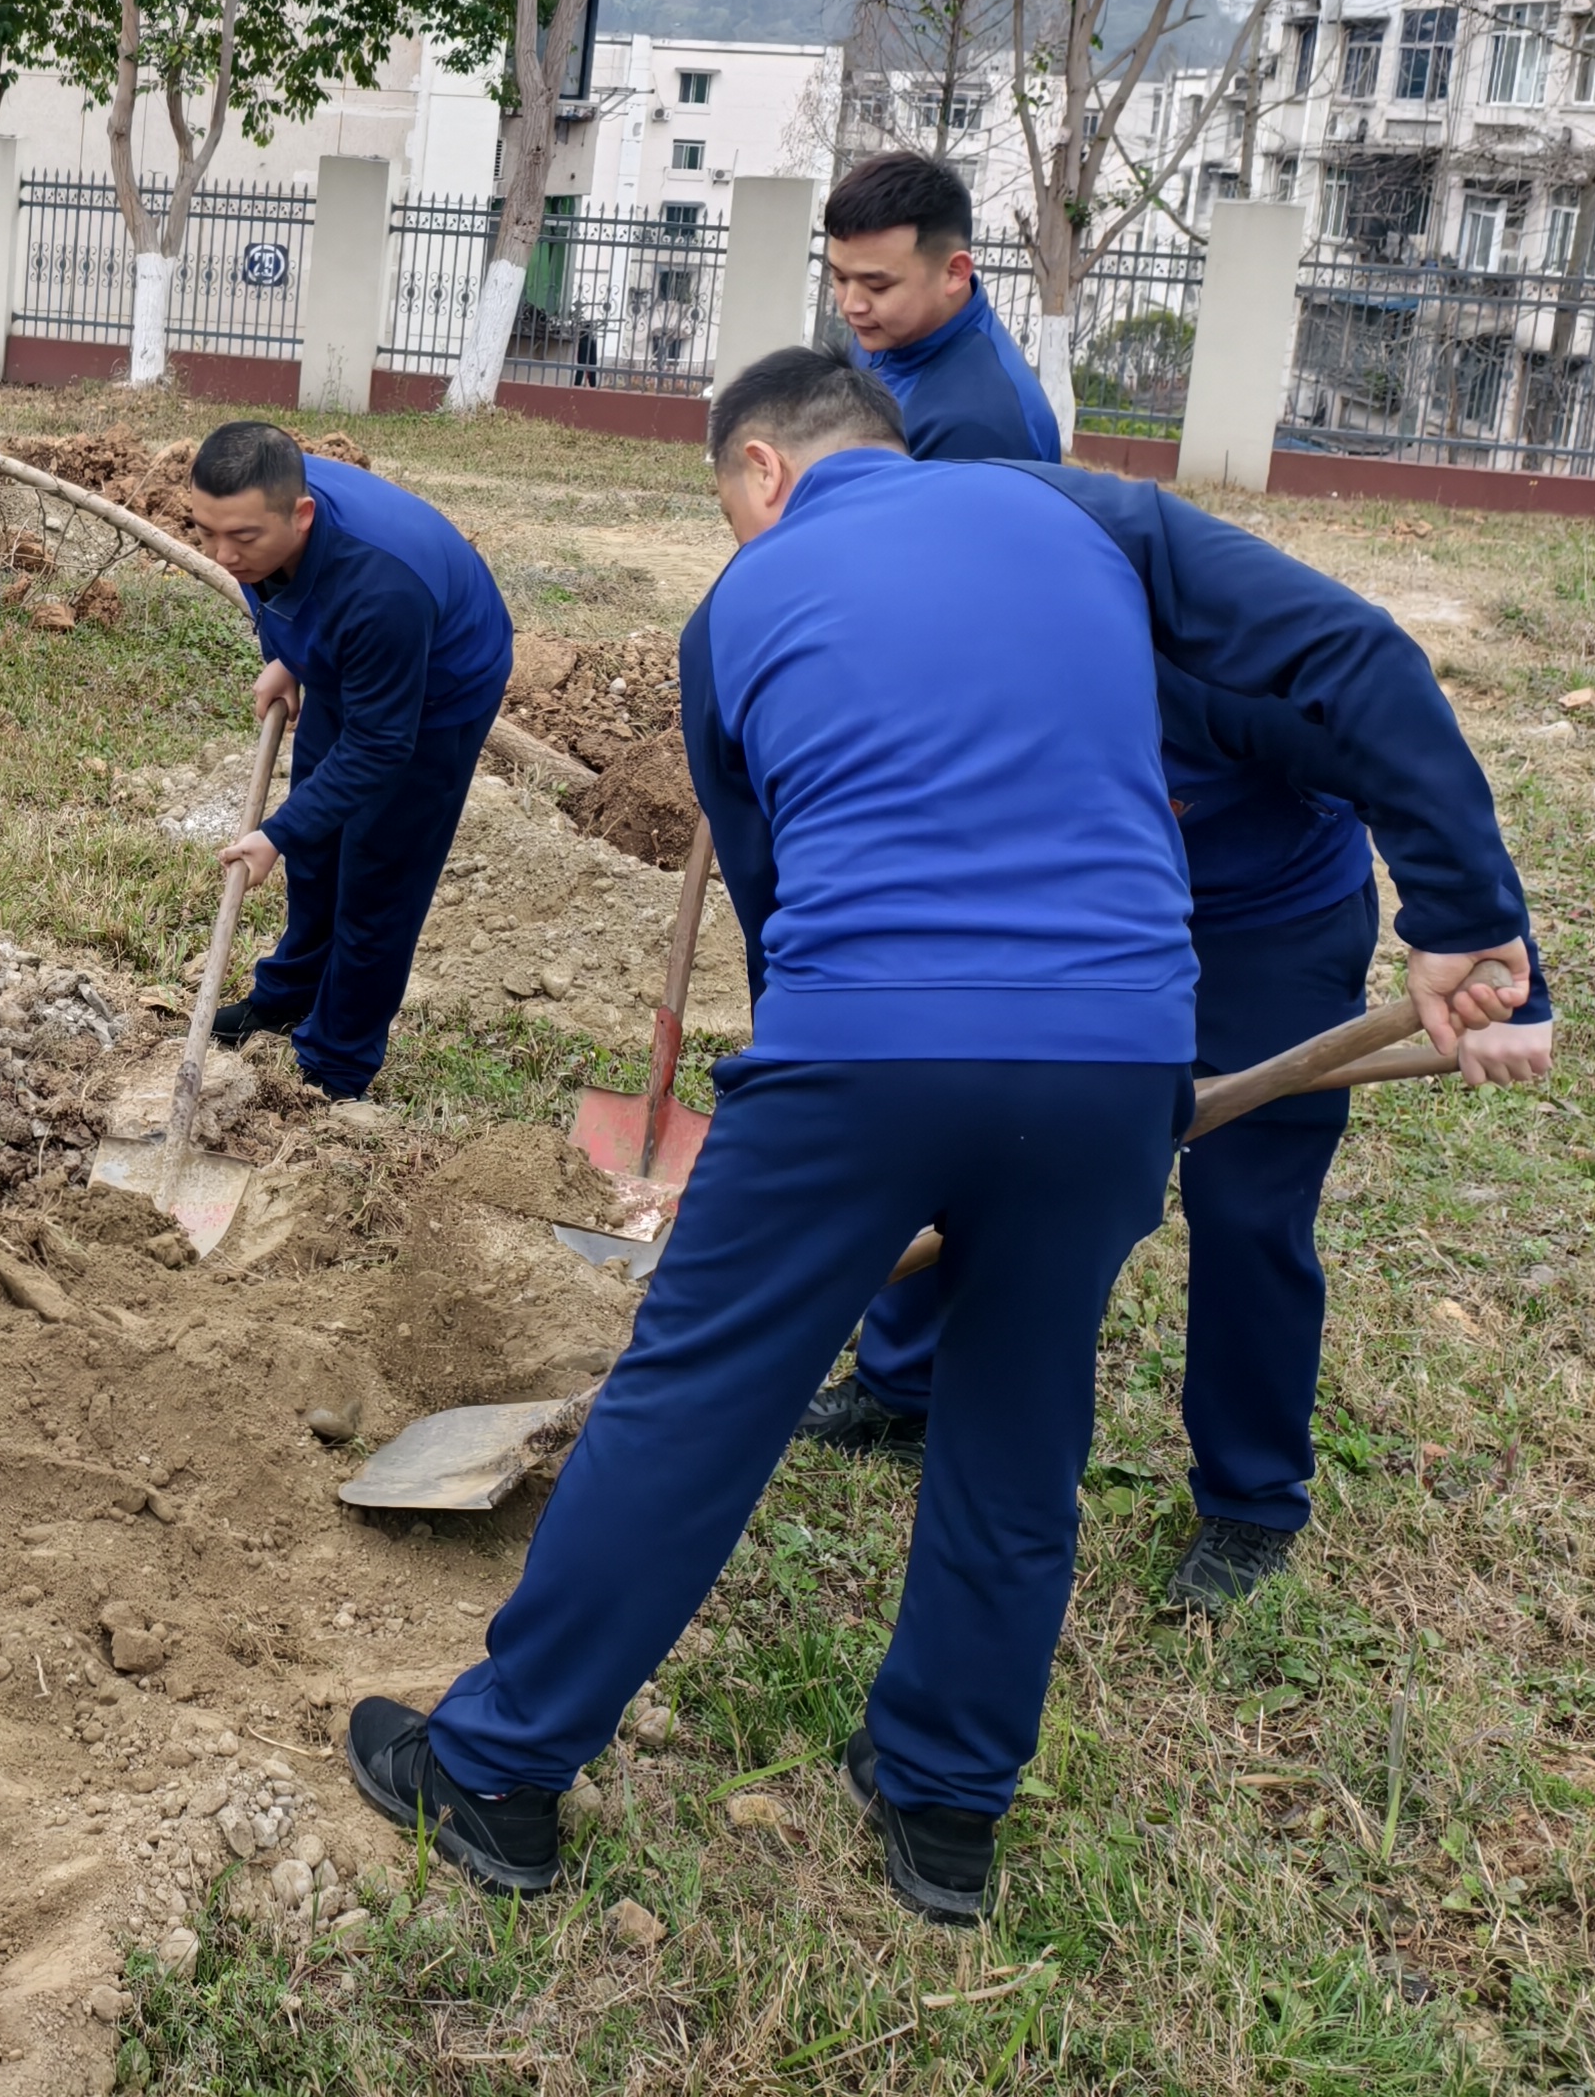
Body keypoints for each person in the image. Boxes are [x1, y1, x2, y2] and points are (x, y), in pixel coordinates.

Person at [345, 350, 1534, 1927]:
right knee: (1022, 1415)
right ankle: (948, 1812)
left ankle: (496, 1775)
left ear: (765, 472)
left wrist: (856, 1125)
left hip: (862, 1050)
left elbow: (774, 908)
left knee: (695, 1399)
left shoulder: (731, 617)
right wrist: (1469, 921)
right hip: (1121, 1056)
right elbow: (1360, 659)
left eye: (732, 507)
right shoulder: (1091, 516)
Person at [796, 464, 1557, 1612]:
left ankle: (1250, 1500)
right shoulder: (946, 643)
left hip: (1268, 918)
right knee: (979, 1133)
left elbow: (1392, 726)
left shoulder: (1215, 672)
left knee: (1248, 1205)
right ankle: (902, 1383)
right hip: (1082, 909)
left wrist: (1492, 953)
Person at [180, 425, 512, 1102]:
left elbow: (380, 745)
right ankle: (288, 997)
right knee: (320, 849)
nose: (222, 554)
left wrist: (274, 832)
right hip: (359, 663)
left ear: (300, 517)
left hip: (434, 697)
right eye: (207, 532)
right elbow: (278, 585)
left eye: (241, 539)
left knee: (376, 886)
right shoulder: (264, 511)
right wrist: (289, 655)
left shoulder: (380, 589)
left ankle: (334, 1067)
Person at [823, 150, 1059, 462]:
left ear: (954, 272)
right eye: (839, 278)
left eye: (877, 286)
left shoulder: (978, 428)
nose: (851, 306)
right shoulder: (888, 334)